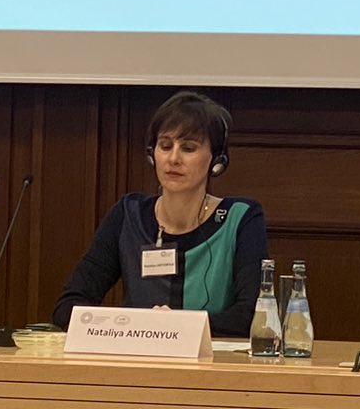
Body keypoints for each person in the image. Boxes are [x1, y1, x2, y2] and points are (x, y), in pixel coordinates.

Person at [52, 91, 267, 336]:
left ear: (217, 160)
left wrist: (175, 325)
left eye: (188, 148)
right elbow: (67, 307)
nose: (173, 158)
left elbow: (252, 315)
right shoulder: (129, 214)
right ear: (152, 154)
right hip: (137, 355)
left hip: (211, 358)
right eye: (165, 146)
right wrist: (135, 326)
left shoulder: (240, 218)